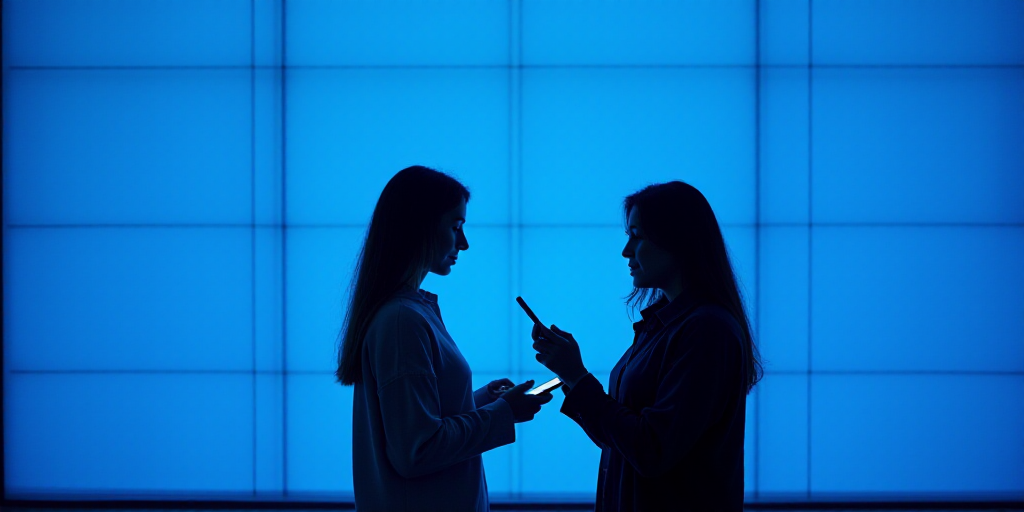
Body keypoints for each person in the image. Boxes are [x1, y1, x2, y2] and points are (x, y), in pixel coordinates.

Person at [529, 181, 763, 511]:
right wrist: (570, 377)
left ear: (677, 240)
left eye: (637, 235)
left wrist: (578, 377)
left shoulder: (707, 330)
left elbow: (652, 450)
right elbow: (621, 443)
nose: (626, 250)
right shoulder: (661, 327)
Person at [337, 165, 552, 512]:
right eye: (456, 227)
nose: (463, 243)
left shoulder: (407, 313)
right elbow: (417, 451)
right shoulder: (401, 321)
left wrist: (483, 401)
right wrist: (503, 413)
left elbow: (419, 424)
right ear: (419, 227)